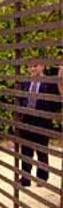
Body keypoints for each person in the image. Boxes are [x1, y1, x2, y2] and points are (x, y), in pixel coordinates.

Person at [18, 59, 61, 187]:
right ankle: (25, 178)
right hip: (27, 120)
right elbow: (21, 99)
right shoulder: (25, 82)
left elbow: (56, 102)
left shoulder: (50, 83)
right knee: (26, 149)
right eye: (30, 66)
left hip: (42, 121)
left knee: (42, 150)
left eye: (35, 66)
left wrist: (47, 115)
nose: (32, 69)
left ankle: (42, 178)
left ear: (42, 67)